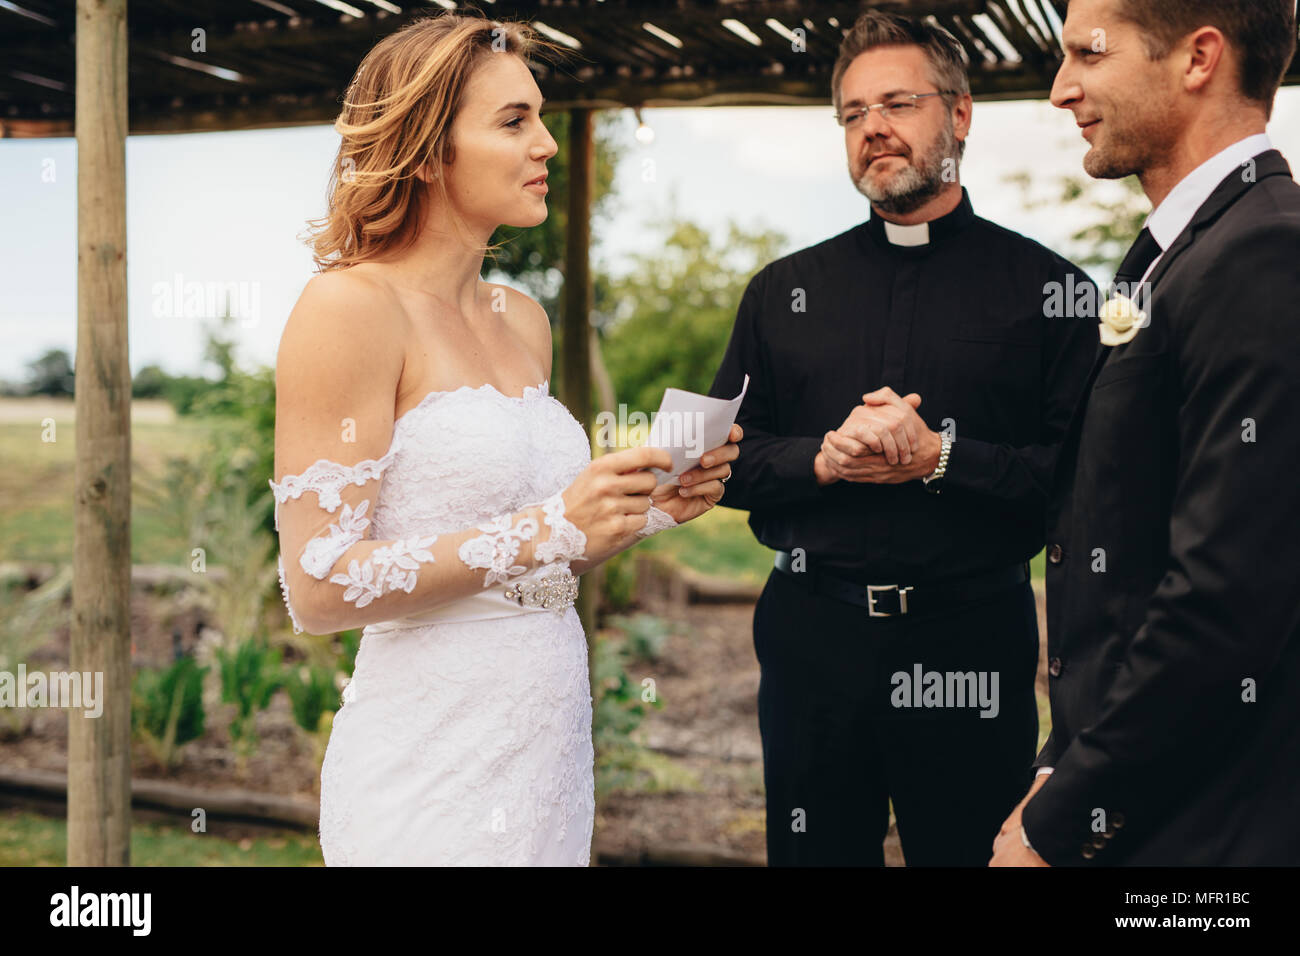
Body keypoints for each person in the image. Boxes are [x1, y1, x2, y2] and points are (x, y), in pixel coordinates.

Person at [269, 14, 741, 866]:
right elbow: (318, 587)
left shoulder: (521, 320)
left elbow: (528, 565)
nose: (548, 147)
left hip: (545, 754)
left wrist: (641, 515)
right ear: (425, 149)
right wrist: (550, 526)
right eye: (512, 122)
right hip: (428, 762)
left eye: (541, 118)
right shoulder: (349, 310)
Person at [707, 10, 1098, 866]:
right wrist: (816, 456)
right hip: (813, 640)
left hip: (972, 644)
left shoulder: (1053, 293)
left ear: (959, 115)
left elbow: (1077, 492)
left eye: (897, 103)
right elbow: (714, 463)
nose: (872, 128)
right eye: (852, 114)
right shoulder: (782, 291)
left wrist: (942, 459)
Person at [992, 0, 1300, 866]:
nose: (1060, 90)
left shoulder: (1264, 254)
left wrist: (1064, 824)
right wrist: (1061, 763)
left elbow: (1226, 600)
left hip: (1211, 828)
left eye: (1089, 54)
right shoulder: (1190, 248)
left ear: (1198, 58)